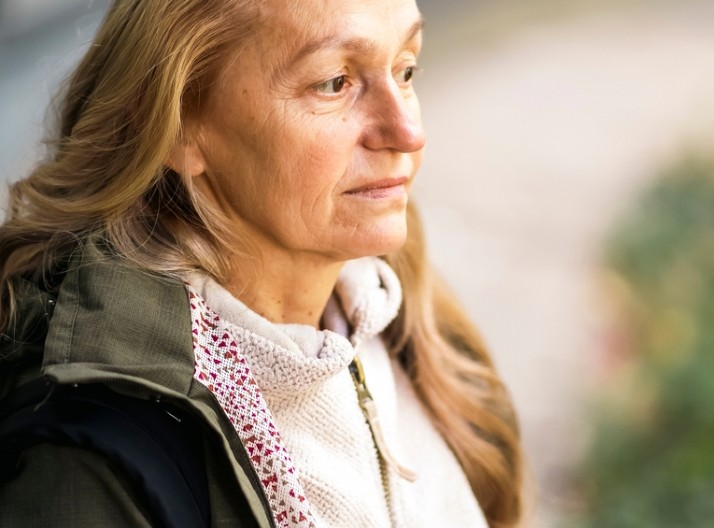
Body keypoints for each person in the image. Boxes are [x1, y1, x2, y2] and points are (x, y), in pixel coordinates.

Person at [0, 0, 525, 526]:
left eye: (404, 70)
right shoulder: (90, 456)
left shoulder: (398, 303)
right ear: (179, 124)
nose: (408, 132)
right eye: (333, 83)